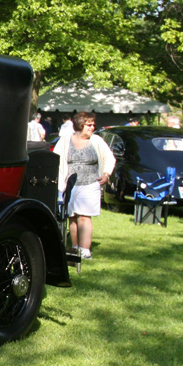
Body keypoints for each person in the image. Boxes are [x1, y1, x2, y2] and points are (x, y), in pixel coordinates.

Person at [53, 111, 116, 260]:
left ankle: (85, 250)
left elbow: (109, 158)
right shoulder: (65, 140)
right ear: (80, 125)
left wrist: (106, 174)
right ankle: (75, 248)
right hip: (70, 185)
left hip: (90, 183)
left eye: (93, 125)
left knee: (84, 216)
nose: (92, 127)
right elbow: (55, 158)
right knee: (72, 216)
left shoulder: (97, 141)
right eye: (89, 125)